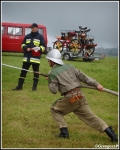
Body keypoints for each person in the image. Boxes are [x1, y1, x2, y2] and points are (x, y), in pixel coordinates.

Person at [45, 49, 118, 142]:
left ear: (52, 61)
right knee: (91, 117)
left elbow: (53, 90)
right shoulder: (69, 66)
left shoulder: (52, 72)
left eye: (48, 60)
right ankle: (111, 134)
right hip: (80, 96)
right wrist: (97, 84)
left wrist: (50, 80)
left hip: (70, 99)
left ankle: (64, 133)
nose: (48, 62)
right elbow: (84, 77)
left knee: (55, 110)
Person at [12, 23, 46, 91]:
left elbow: (44, 47)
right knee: (23, 72)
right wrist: (25, 48)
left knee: (36, 73)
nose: (32, 29)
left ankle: (34, 88)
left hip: (35, 59)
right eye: (31, 28)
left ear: (36, 28)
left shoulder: (40, 37)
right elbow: (22, 44)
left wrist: (38, 48)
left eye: (33, 28)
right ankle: (19, 86)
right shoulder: (27, 36)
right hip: (26, 58)